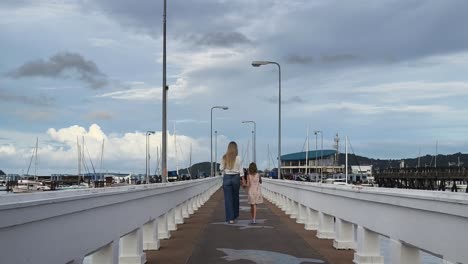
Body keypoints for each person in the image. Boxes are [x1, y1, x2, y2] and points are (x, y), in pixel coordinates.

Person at [220, 141, 243, 224]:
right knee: (235, 197)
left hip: (227, 178)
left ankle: (230, 218)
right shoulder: (238, 158)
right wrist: (243, 179)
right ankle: (235, 215)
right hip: (236, 177)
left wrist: (226, 166)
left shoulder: (224, 157)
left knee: (228, 199)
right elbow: (241, 170)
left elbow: (221, 168)